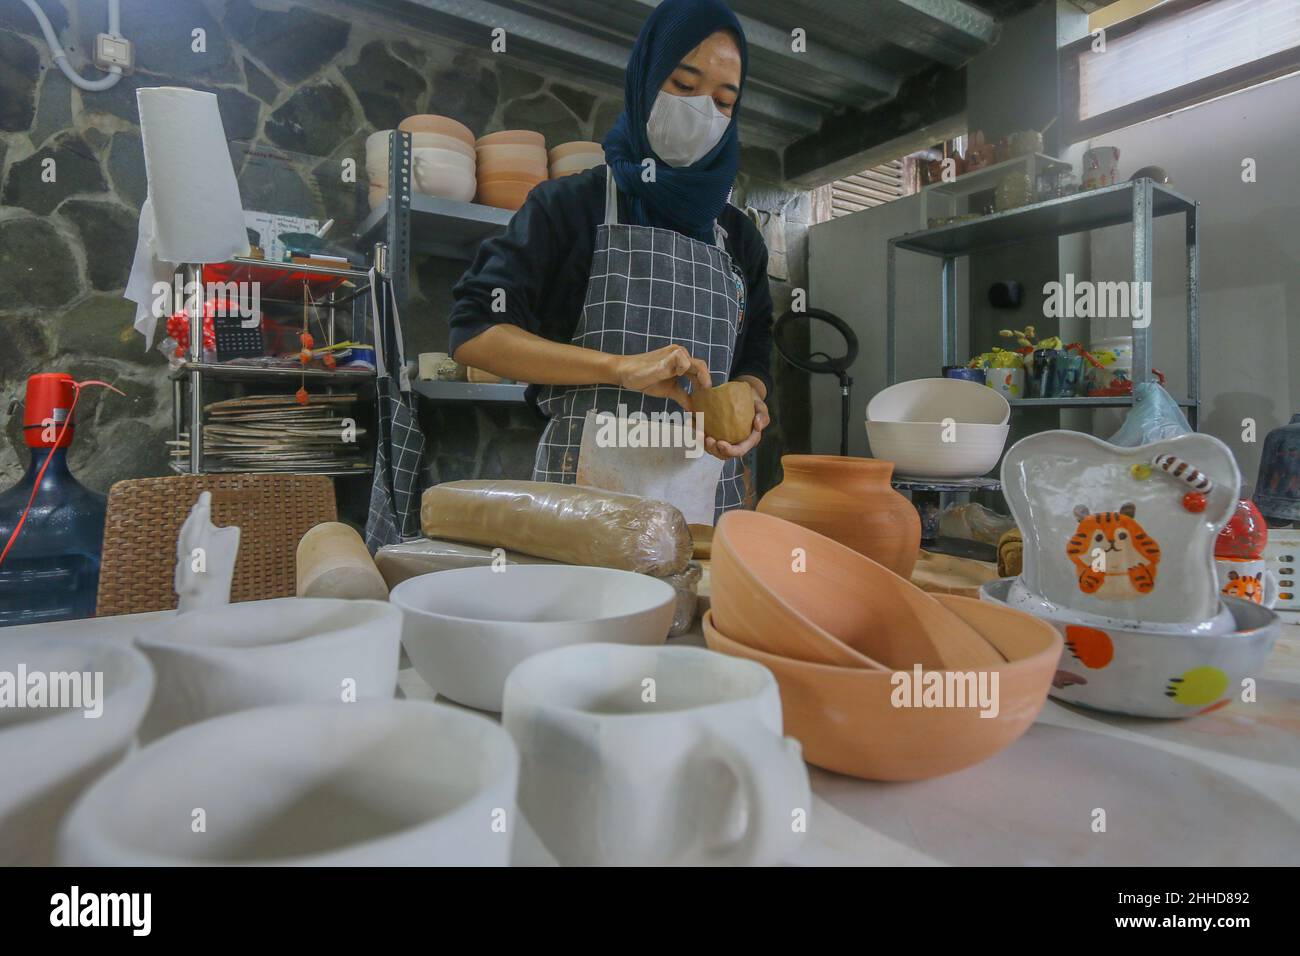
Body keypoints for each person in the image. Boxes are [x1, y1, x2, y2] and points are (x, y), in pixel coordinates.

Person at [449, 0, 773, 519]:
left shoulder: (738, 237)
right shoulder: (569, 206)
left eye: (724, 100)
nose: (701, 112)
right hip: (585, 510)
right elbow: (474, 332)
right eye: (684, 86)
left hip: (708, 508)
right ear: (646, 78)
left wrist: (750, 403)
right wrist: (616, 368)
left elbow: (757, 346)